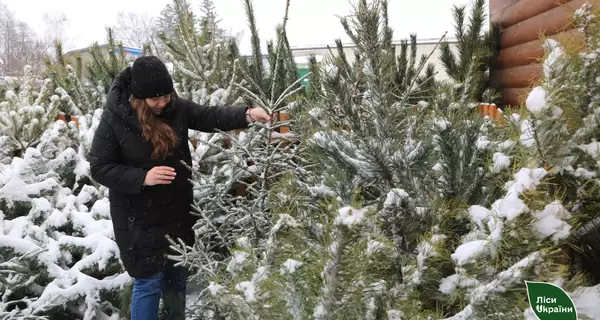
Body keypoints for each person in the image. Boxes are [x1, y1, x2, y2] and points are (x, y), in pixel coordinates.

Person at [88, 56, 270, 320]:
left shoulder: (176, 108)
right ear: (139, 98)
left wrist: (246, 114)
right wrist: (143, 178)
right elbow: (100, 166)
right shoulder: (115, 119)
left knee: (176, 278)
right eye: (155, 99)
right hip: (139, 218)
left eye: (166, 95)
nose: (162, 102)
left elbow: (209, 116)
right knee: (148, 283)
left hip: (176, 212)